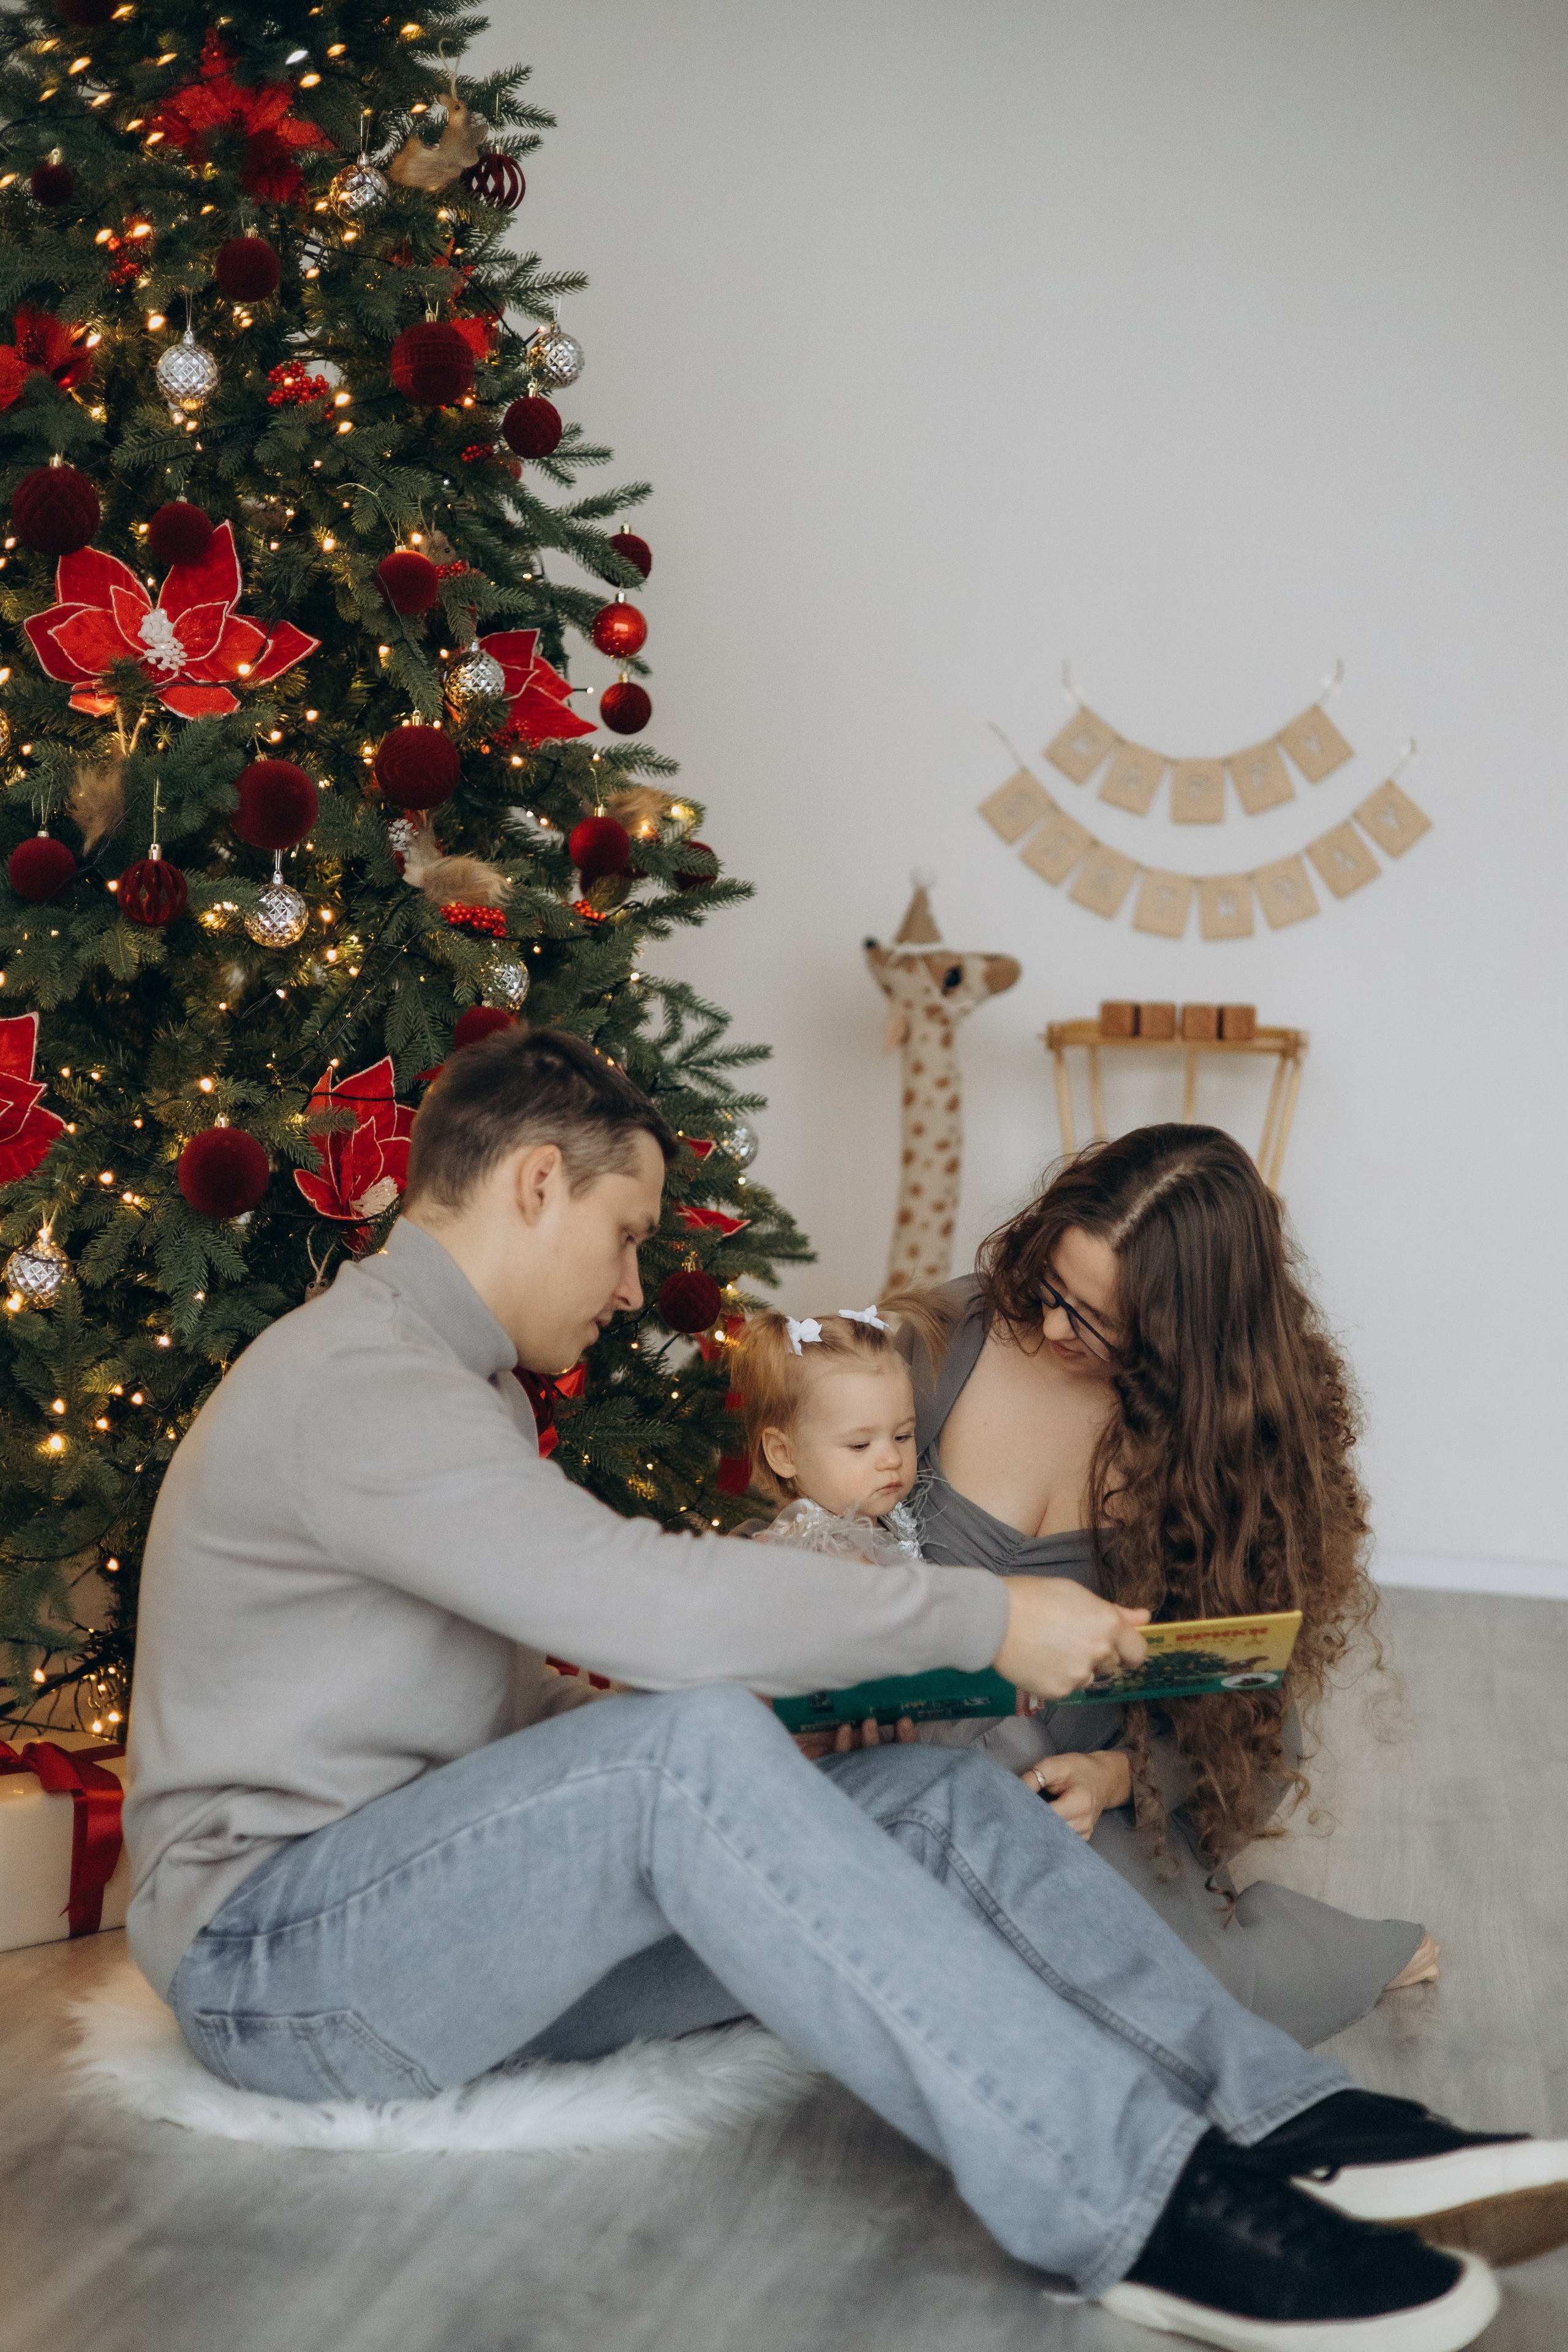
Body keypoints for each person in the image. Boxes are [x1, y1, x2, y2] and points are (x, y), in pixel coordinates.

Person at [123, 1028, 1568, 2352]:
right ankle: (1133, 2207)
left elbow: (506, 1736)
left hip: (431, 1928)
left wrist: (767, 1760)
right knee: (688, 1736)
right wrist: (980, 1615)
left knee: (929, 1797)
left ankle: (1291, 2119)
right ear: (536, 1184)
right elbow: (638, 1607)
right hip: (276, 1967)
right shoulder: (357, 1386)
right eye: (625, 1238)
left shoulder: (462, 1393)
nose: (633, 1288)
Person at [884, 1123, 1436, 2046]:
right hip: (909, 1743)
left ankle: (1341, 1950)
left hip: (1062, 1785)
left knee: (1178, 2007)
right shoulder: (952, 1338)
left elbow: (1237, 1693)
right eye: (1053, 1290)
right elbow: (817, 1533)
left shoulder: (1228, 1446)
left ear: (1188, 1333)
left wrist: (1112, 1776)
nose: (1056, 1328)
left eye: (1098, 1321)